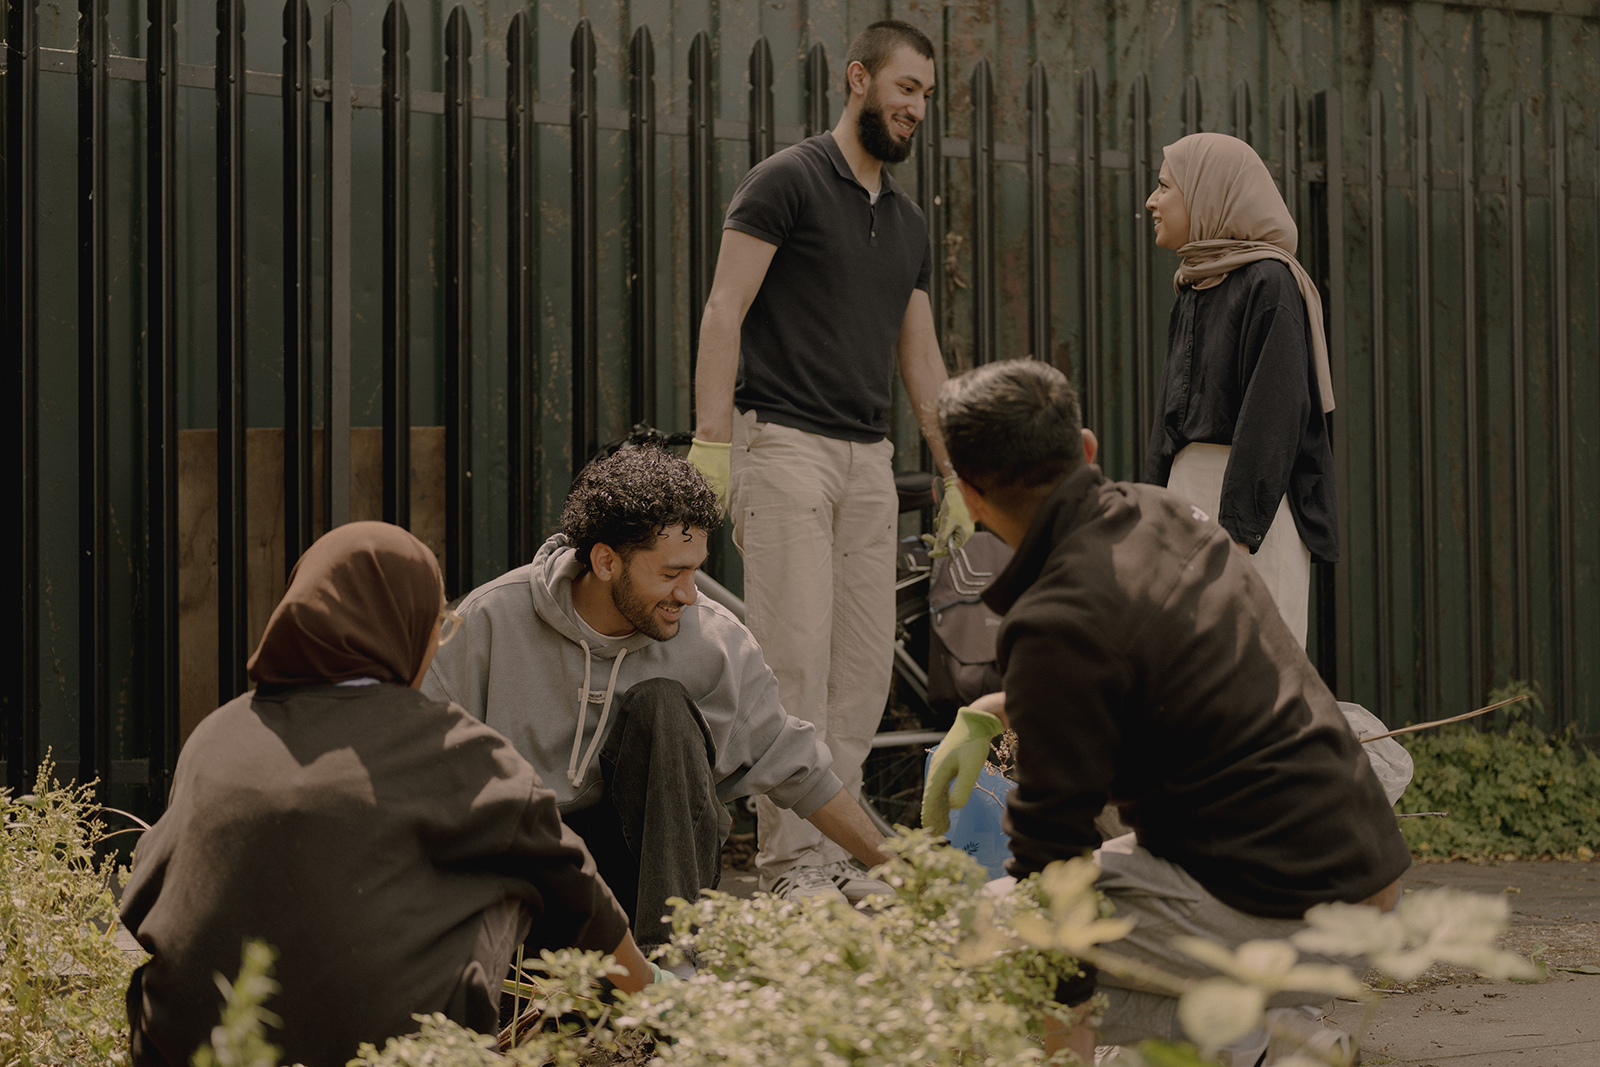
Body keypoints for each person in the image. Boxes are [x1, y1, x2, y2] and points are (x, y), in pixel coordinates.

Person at [923, 360, 1410, 1062]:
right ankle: (1262, 1042)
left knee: (984, 940)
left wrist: (1065, 1043)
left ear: (968, 494)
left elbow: (1052, 879)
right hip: (1364, 871)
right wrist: (1002, 707)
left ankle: (1278, 1046)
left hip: (1286, 905)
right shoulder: (1167, 515)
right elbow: (1146, 676)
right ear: (1086, 448)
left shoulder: (1054, 618)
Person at [120, 522, 655, 1067]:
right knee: (513, 868)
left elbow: (142, 897)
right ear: (404, 630)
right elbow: (580, 895)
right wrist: (666, 1004)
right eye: (437, 627)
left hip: (189, 1049)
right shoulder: (455, 748)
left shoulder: (216, 734)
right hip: (384, 1053)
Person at [686, 18, 972, 901]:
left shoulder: (911, 222)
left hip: (867, 461)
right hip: (783, 448)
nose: (917, 107)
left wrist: (954, 469)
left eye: (927, 94)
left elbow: (919, 356)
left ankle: (835, 851)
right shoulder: (787, 181)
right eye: (906, 88)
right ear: (859, 79)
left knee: (862, 670)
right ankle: (786, 864)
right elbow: (724, 310)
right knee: (794, 660)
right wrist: (713, 446)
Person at [422, 446, 895, 945]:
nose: (688, 594)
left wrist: (914, 878)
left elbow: (802, 771)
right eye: (670, 574)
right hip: (522, 881)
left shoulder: (715, 641)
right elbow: (415, 759)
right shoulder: (491, 620)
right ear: (605, 561)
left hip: (647, 887)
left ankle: (671, 969)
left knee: (663, 706)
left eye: (694, 571)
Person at [1142, 132, 1338, 648]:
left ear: (1208, 192)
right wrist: (1153, 513)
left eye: (1165, 187)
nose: (1152, 201)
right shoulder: (1194, 285)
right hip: (1190, 499)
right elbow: (1169, 419)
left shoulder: (1270, 283)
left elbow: (1275, 415)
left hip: (1251, 511)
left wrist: (1236, 530)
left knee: (1255, 665)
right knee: (1187, 669)